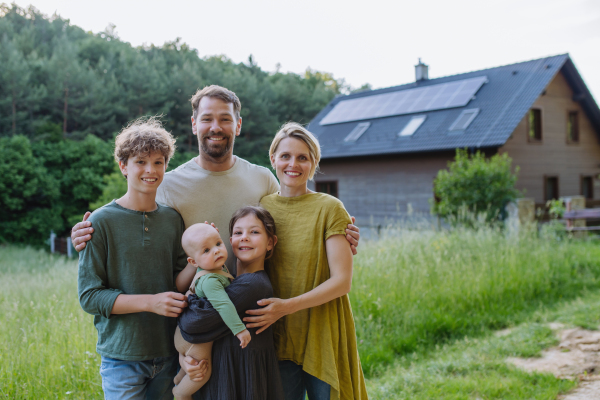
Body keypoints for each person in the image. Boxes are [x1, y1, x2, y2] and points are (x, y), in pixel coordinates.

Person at [71, 85, 360, 384]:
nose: (216, 127)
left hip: (255, 320)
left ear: (238, 124)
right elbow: (134, 214)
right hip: (200, 322)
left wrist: (339, 230)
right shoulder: (169, 184)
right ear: (194, 124)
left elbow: (291, 219)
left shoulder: (262, 179)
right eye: (207, 118)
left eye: (225, 118)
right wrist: (87, 231)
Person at [246, 122, 368, 400]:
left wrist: (285, 307)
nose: (294, 164)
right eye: (286, 156)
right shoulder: (262, 208)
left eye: (303, 157)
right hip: (277, 334)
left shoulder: (330, 208)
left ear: (314, 163)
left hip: (321, 330)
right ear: (273, 158)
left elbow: (342, 282)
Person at [77, 118, 189, 400]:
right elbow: (90, 297)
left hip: (169, 353)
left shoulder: (173, 220)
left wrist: (198, 261)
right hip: (122, 357)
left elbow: (177, 284)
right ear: (123, 166)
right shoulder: (100, 222)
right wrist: (150, 302)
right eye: (140, 161)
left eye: (158, 162)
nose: (150, 170)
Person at [177, 206, 284, 399]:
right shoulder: (226, 280)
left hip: (241, 375)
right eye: (238, 232)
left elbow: (192, 324)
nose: (244, 237)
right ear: (231, 240)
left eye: (254, 232)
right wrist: (186, 360)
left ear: (270, 243)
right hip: (224, 369)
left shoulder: (253, 285)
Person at [172, 223, 251, 400]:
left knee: (193, 367)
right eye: (206, 250)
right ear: (193, 262)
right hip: (195, 341)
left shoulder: (216, 268)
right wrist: (240, 329)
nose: (216, 251)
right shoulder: (210, 281)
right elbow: (224, 305)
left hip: (185, 334)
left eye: (218, 244)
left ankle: (179, 377)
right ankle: (180, 393)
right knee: (202, 372)